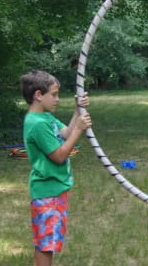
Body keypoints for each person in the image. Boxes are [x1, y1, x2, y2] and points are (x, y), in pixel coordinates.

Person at [21, 70, 92, 266]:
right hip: (47, 193)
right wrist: (79, 129)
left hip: (54, 190)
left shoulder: (46, 118)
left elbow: (66, 133)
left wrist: (78, 111)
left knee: (47, 242)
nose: (57, 99)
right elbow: (59, 156)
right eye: (53, 94)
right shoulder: (36, 124)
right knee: (46, 245)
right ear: (38, 95)